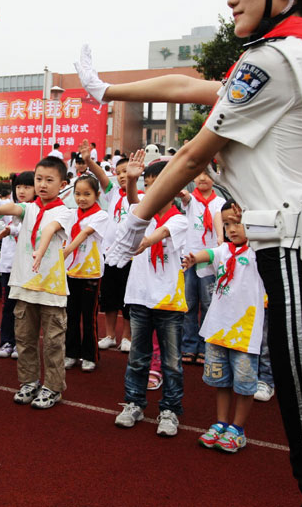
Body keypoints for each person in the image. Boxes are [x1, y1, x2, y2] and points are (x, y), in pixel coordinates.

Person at [76, 0, 302, 504]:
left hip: (301, 267)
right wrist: (106, 90)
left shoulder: (273, 60)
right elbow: (189, 86)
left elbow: (192, 154)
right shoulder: (286, 53)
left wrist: (133, 223)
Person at [0, 157, 74, 409]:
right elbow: (11, 209)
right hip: (23, 286)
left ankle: (53, 387)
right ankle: (29, 382)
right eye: (39, 179)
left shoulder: (65, 212)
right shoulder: (29, 208)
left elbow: (51, 228)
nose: (42, 184)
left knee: (53, 342)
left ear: (62, 184)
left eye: (49, 180)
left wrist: (41, 251)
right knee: (24, 339)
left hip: (51, 289)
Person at [112, 161, 187, 437]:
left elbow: (163, 232)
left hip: (169, 301)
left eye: (159, 187)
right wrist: (132, 180)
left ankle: (169, 409)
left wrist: (145, 241)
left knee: (171, 362)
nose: (151, 193)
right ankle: (134, 403)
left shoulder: (180, 219)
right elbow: (135, 203)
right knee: (137, 357)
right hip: (140, 296)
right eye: (148, 186)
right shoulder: (142, 212)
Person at [184, 201, 264, 452]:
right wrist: (194, 258)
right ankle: (221, 423)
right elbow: (208, 254)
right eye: (228, 224)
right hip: (218, 329)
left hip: (244, 333)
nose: (232, 229)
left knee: (244, 384)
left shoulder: (258, 253)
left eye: (238, 223)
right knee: (220, 381)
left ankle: (237, 429)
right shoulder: (224, 250)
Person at [82, 141, 143, 352]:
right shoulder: (112, 193)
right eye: (119, 172)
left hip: (130, 256)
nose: (122, 175)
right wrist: (89, 160)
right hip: (109, 254)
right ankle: (109, 335)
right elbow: (101, 176)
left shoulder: (141, 196)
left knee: (127, 300)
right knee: (109, 298)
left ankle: (127, 337)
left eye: (126, 171)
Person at [62, 174, 108, 372]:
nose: (81, 198)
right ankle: (71, 353)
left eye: (87, 194)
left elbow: (84, 233)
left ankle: (90, 355)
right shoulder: (71, 214)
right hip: (70, 272)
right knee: (70, 316)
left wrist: (67, 251)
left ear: (97, 195)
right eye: (78, 194)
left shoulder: (100, 216)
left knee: (89, 318)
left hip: (90, 273)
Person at [179, 172, 225, 365]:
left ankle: (206, 345)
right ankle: (189, 345)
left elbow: (219, 219)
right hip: (190, 258)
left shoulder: (220, 202)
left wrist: (221, 238)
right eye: (199, 174)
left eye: (207, 174)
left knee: (208, 304)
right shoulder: (191, 200)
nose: (203, 178)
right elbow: (184, 196)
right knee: (189, 304)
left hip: (210, 260)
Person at [0, 171, 35, 359]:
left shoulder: (36, 210)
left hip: (27, 268)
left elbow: (23, 228)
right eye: (18, 186)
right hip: (8, 267)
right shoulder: (8, 207)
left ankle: (23, 343)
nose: (22, 191)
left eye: (27, 187)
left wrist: (11, 229)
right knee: (8, 307)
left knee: (26, 309)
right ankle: (7, 341)